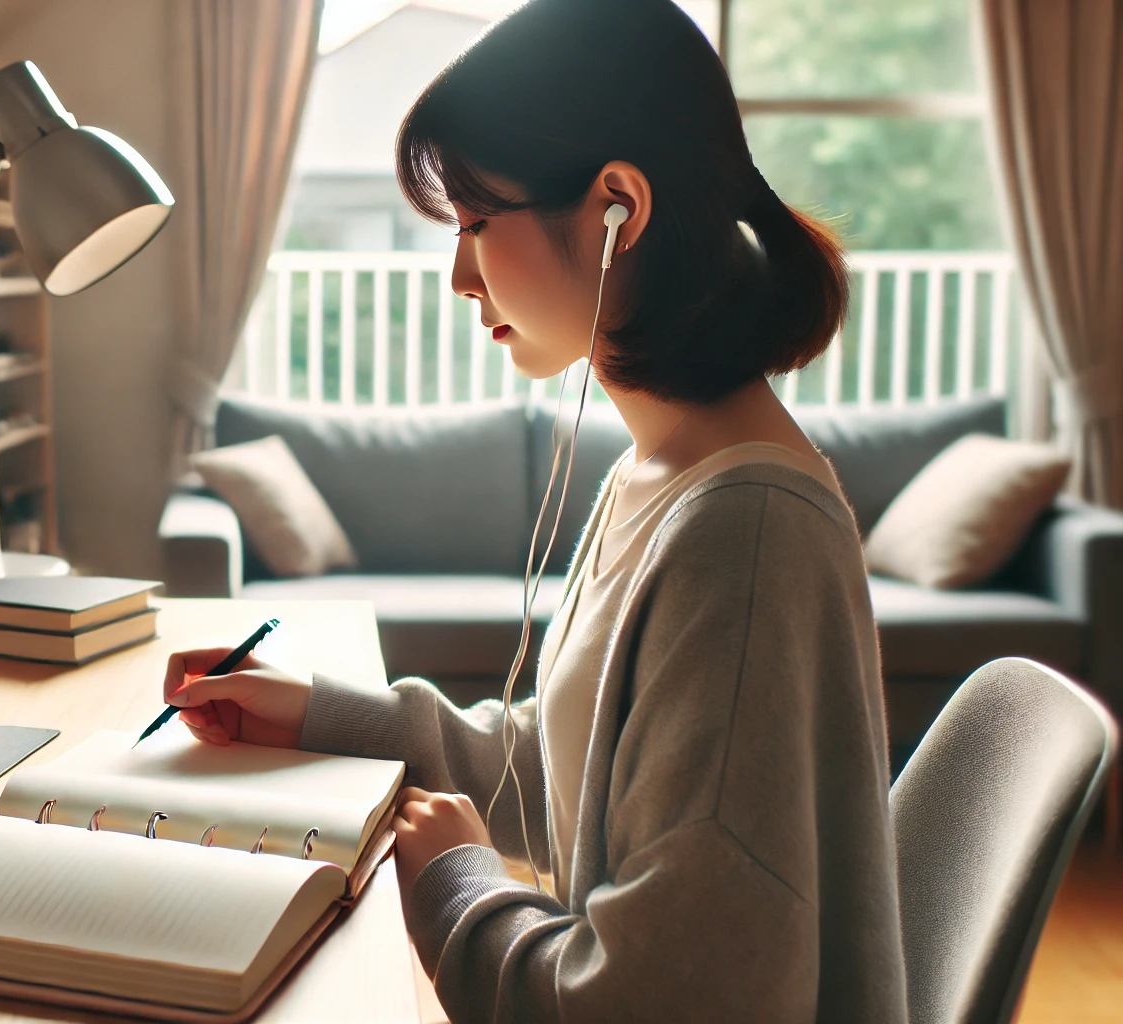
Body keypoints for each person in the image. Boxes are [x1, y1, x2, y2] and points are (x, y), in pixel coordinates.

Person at [160, 0, 905, 1020]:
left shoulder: (744, 533)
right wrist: (318, 712)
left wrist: (461, 887)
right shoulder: (663, 474)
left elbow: (653, 1002)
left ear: (616, 209)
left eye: (474, 223)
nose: (459, 276)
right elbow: (573, 773)